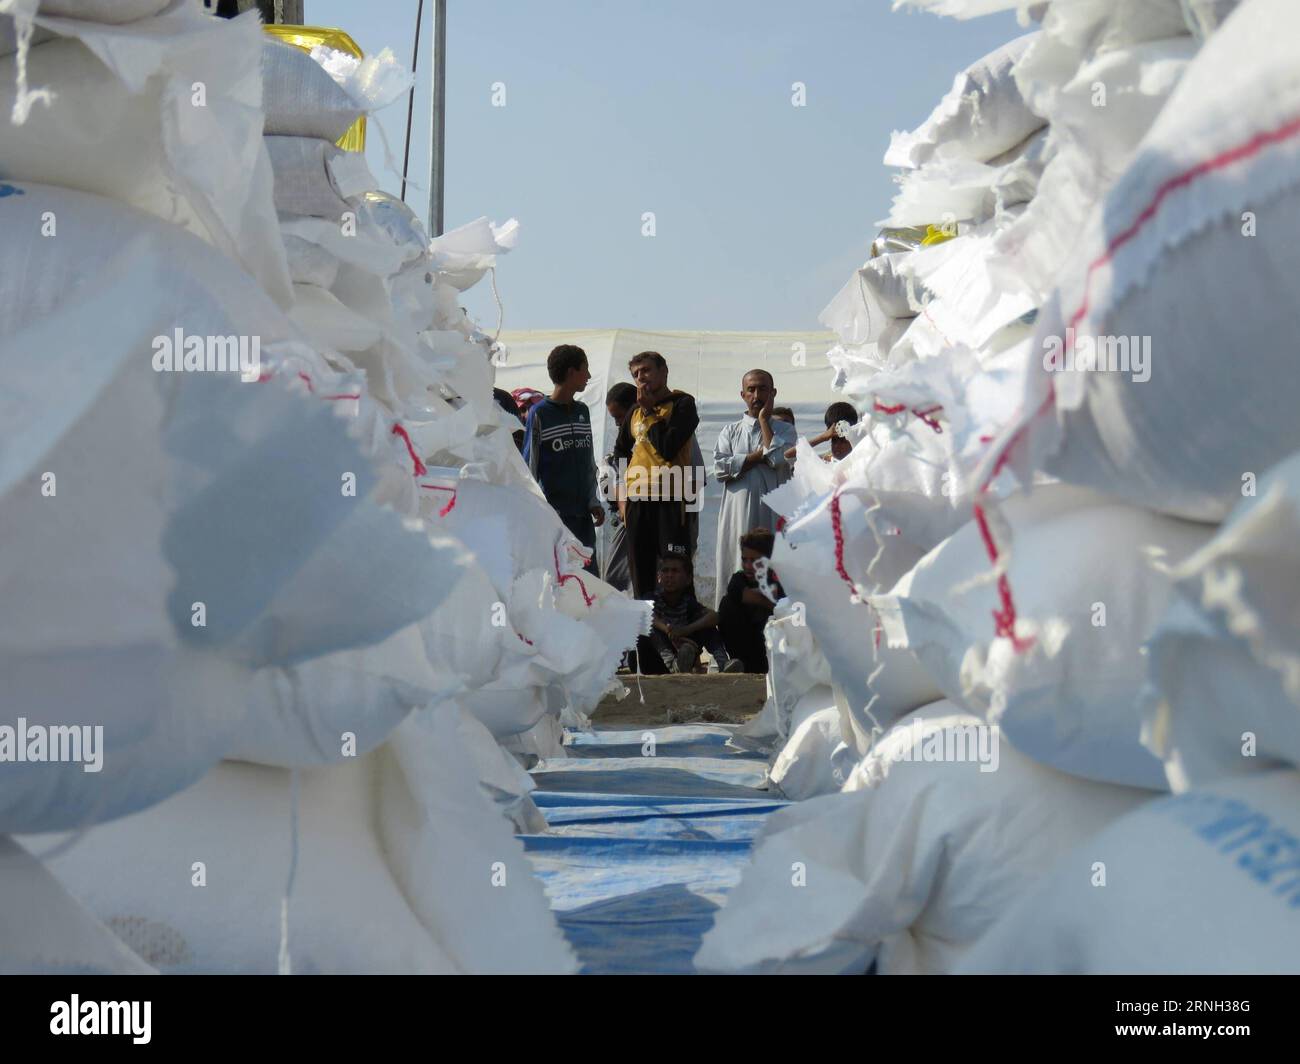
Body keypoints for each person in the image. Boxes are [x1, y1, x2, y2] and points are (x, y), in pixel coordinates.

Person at [611, 351, 700, 598]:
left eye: (647, 371)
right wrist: (621, 492)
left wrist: (650, 413)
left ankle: (683, 631)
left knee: (676, 570)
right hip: (636, 502)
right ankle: (646, 632)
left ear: (664, 371)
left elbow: (668, 447)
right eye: (636, 374)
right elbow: (619, 450)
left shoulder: (682, 403)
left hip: (670, 500)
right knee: (641, 572)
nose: (641, 378)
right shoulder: (634, 412)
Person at [712, 369, 797, 607]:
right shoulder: (730, 431)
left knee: (773, 567)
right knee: (737, 565)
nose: (756, 395)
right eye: (751, 389)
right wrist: (756, 456)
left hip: (771, 513)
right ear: (743, 394)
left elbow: (777, 459)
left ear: (773, 393)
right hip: (736, 513)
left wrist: (762, 421)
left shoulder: (785, 431)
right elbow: (720, 469)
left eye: (762, 389)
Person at [522, 346, 604, 573]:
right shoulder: (539, 414)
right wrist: (535, 512)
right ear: (571, 372)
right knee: (562, 578)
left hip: (583, 518)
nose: (588, 376)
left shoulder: (583, 411)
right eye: (585, 370)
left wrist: (593, 500)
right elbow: (529, 467)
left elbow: (589, 462)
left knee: (589, 579)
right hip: (555, 519)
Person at [636, 551, 741, 674]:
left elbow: (714, 617)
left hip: (685, 650)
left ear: (688, 579)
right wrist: (669, 631)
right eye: (665, 570)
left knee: (707, 627)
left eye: (675, 571)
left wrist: (685, 631)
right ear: (659, 577)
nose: (669, 575)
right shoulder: (652, 597)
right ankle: (672, 665)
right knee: (648, 627)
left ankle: (723, 663)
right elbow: (643, 611)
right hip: (657, 657)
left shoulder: (687, 602)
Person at [718, 528, 785, 673]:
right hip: (747, 650)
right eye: (744, 560)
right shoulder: (738, 579)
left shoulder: (782, 580)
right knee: (727, 604)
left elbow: (784, 610)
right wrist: (768, 600)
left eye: (754, 561)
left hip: (774, 651)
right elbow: (745, 595)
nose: (748, 566)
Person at [784, 400, 859, 463]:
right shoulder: (825, 462)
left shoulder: (861, 459)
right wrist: (822, 438)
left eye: (843, 441)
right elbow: (787, 455)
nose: (837, 446)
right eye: (834, 441)